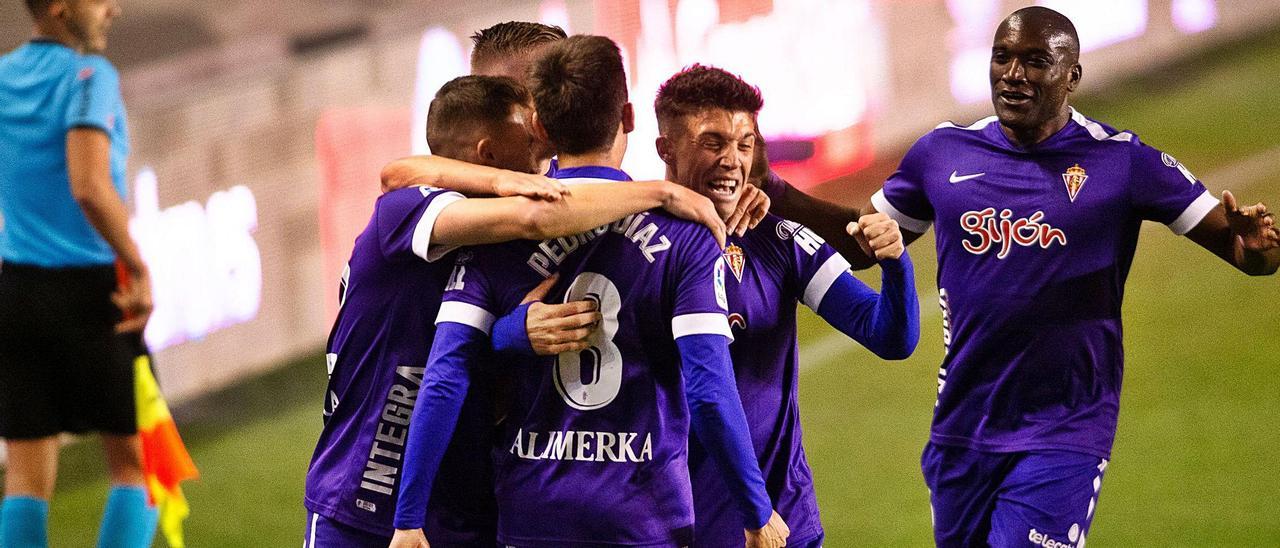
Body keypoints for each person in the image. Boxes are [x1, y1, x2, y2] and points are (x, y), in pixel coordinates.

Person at [863, 7, 1280, 546]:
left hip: (1066, 427)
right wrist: (775, 193)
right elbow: (860, 243)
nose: (1013, 74)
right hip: (964, 428)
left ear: (1072, 78)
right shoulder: (942, 152)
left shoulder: (1122, 160)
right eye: (1002, 57)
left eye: (1036, 62)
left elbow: (1248, 253)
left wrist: (1256, 245)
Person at [391, 35, 789, 548]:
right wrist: (757, 512)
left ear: (539, 126)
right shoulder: (687, 234)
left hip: (534, 517)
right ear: (628, 116)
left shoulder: (495, 229)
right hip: (644, 518)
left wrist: (408, 519)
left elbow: (445, 375)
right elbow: (709, 389)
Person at [302, 75, 726, 547]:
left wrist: (508, 334)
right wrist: (661, 193)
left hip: (455, 502)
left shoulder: (501, 243)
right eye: (530, 137)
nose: (546, 149)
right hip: (364, 490)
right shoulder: (414, 208)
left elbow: (473, 350)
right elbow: (530, 212)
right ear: (488, 153)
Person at [652, 64, 921, 548]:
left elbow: (890, 337)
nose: (732, 160)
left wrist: (896, 263)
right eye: (713, 143)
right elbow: (703, 394)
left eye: (744, 143)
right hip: (688, 525)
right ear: (666, 148)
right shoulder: (643, 251)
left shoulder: (776, 239)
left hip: (787, 520)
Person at [0, 1, 157, 547]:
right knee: (140, 467)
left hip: (18, 288)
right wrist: (136, 262)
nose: (114, 8)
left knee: (24, 476)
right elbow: (88, 184)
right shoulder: (91, 76)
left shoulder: (4, 74)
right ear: (63, 8)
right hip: (95, 293)